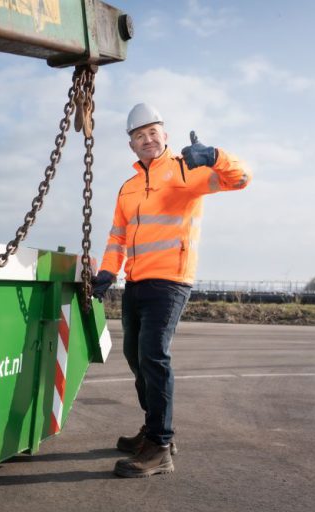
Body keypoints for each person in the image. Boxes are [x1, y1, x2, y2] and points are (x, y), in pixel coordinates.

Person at [90, 103, 251, 478]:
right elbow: (117, 236)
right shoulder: (128, 188)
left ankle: (160, 447)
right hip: (136, 281)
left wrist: (214, 156)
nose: (147, 139)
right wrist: (107, 271)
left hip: (171, 281)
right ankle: (154, 428)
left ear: (165, 135)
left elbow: (241, 179)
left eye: (152, 132)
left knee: (153, 355)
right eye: (139, 135)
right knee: (135, 355)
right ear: (131, 145)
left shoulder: (186, 170)